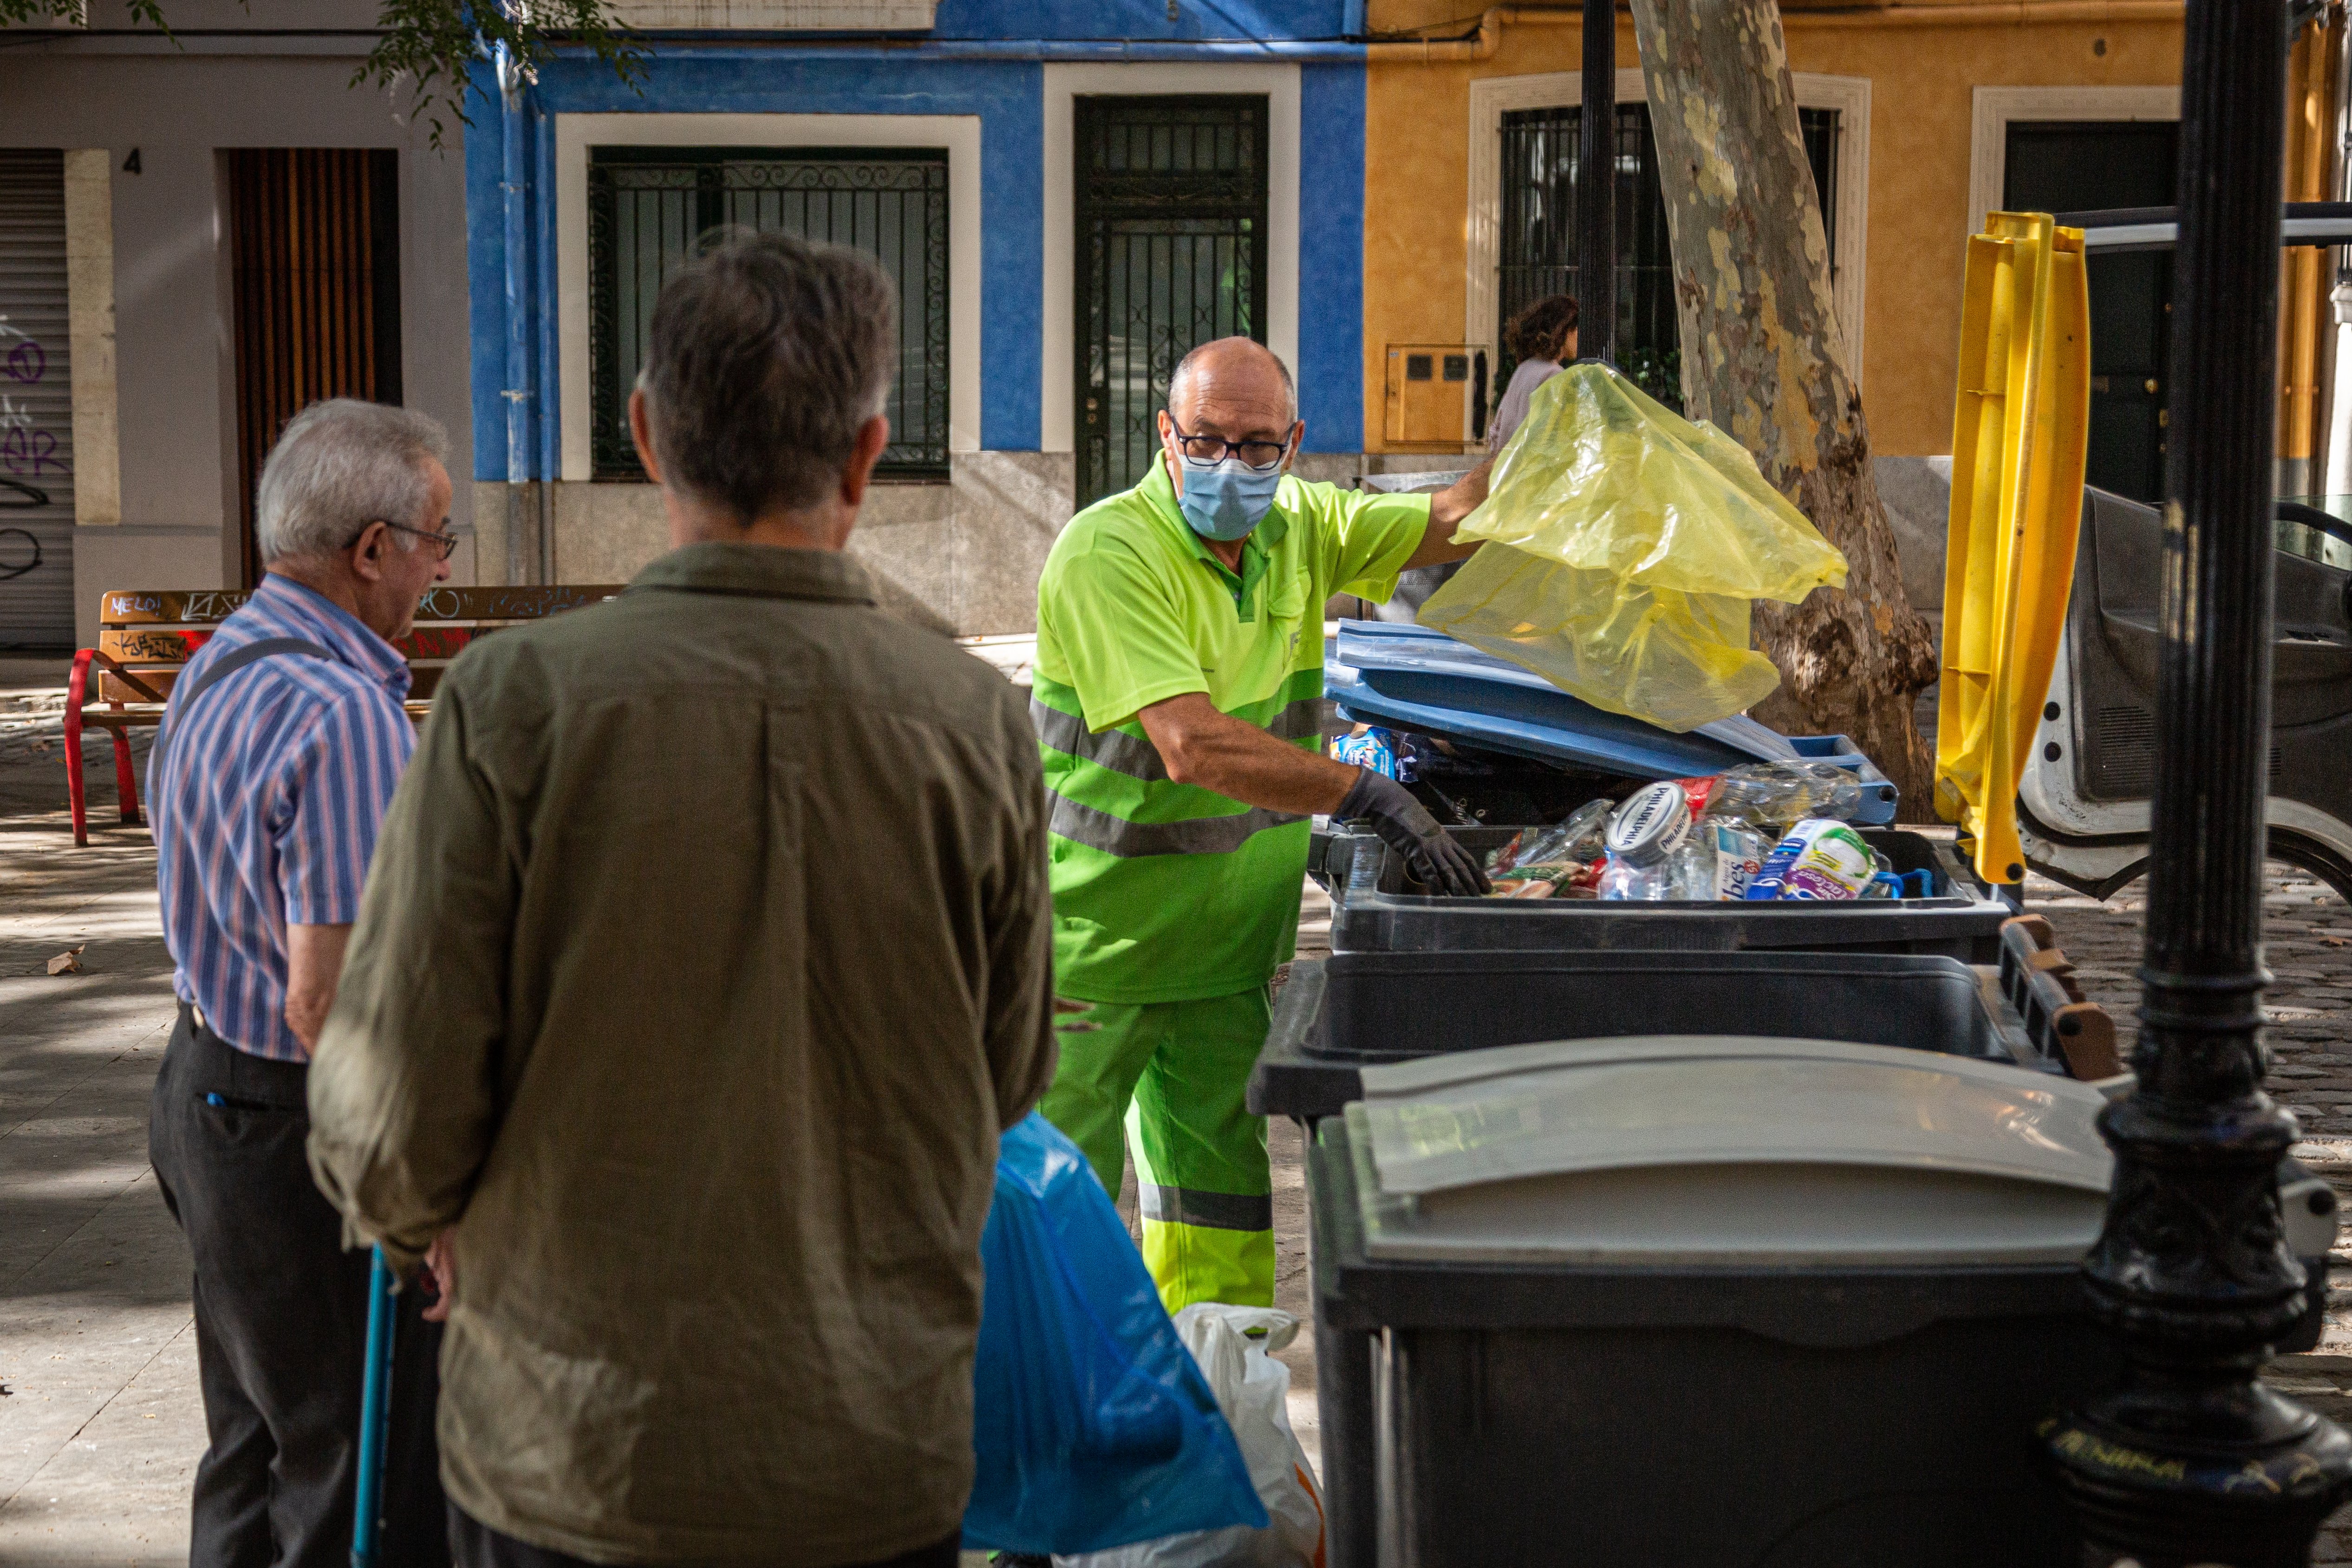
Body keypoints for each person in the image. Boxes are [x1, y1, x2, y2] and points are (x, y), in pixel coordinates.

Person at [305, 232, 1058, 1568]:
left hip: (577, 1458)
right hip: (871, 1451)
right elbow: (1005, 1073)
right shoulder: (978, 728)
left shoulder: (512, 707)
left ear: (646, 435)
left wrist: (424, 1225)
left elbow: (391, 1118)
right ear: (870, 456)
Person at [1031, 336, 1492, 1314]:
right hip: (1087, 958)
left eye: (1255, 446)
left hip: (1223, 958)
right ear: (1165, 435)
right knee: (1042, 1216)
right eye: (1206, 440)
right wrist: (1365, 794)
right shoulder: (1110, 549)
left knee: (1219, 1214)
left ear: (1293, 444)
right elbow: (1193, 744)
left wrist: (1576, 440)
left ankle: (1220, 1397)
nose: (1230, 465)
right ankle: (1028, 1435)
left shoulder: (1303, 527)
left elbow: (1455, 519)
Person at [145, 397, 456, 1568]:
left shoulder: (223, 662)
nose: (436, 568)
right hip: (296, 1129)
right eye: (435, 539)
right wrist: (421, 1195)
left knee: (251, 1443)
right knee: (351, 1467)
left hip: (205, 1093)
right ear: (372, 548)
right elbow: (330, 1003)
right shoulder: (347, 714)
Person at [1488, 293, 1579, 452]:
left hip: (1506, 468)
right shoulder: (1554, 374)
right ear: (1566, 331)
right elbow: (1552, 436)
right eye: (1578, 330)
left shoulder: (1525, 368)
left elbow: (1497, 429)